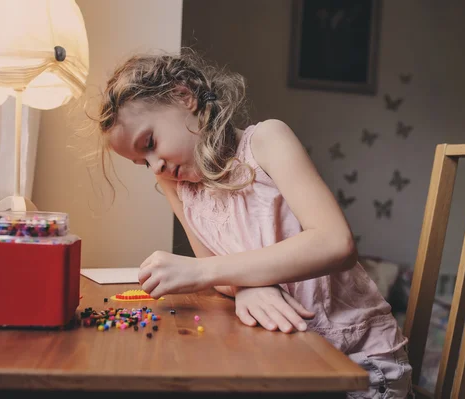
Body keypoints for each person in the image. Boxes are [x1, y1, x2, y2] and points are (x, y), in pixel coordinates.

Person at [91, 49, 412, 398]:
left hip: (357, 361)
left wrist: (204, 272)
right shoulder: (178, 185)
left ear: (185, 97)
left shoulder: (266, 141)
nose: (155, 167)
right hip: (287, 359)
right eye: (141, 162)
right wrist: (250, 285)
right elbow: (221, 276)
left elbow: (336, 243)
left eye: (150, 143)